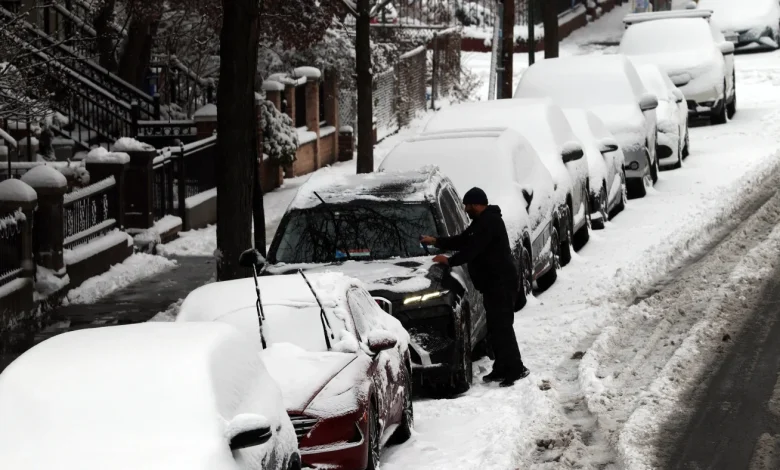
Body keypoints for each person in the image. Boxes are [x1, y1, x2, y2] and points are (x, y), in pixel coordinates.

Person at [421, 187, 529, 387]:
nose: (465, 209)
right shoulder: (481, 222)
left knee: (503, 328)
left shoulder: (490, 223)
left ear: (477, 204)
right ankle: (501, 367)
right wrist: (436, 241)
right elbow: (463, 240)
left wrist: (450, 261)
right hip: (492, 285)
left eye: (468, 205)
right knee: (495, 328)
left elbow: (472, 249)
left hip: (501, 284)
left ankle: (516, 369)